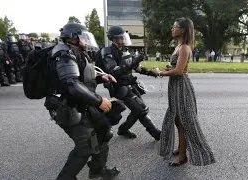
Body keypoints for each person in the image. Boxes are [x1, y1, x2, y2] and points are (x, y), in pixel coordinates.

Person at [45, 23, 120, 180]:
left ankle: (98, 170)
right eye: (83, 38)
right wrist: (99, 101)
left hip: (82, 104)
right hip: (68, 107)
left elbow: (82, 79)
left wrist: (101, 77)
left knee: (103, 132)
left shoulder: (76, 52)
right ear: (73, 38)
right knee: (85, 147)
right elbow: (71, 84)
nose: (86, 41)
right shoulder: (64, 54)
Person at [152, 17, 215, 166]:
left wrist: (159, 73)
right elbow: (177, 69)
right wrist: (168, 69)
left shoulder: (185, 47)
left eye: (175, 27)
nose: (172, 29)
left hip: (181, 87)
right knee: (178, 121)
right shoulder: (178, 46)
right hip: (175, 87)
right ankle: (181, 149)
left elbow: (179, 71)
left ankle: (183, 156)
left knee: (185, 121)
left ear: (183, 30)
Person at [98, 26, 161, 140]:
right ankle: (156, 133)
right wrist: (133, 63)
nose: (123, 40)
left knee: (141, 110)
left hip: (130, 84)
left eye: (124, 37)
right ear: (114, 39)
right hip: (119, 87)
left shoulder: (125, 51)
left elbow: (137, 68)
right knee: (141, 110)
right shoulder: (107, 52)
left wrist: (152, 73)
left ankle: (123, 129)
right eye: (121, 38)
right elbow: (114, 71)